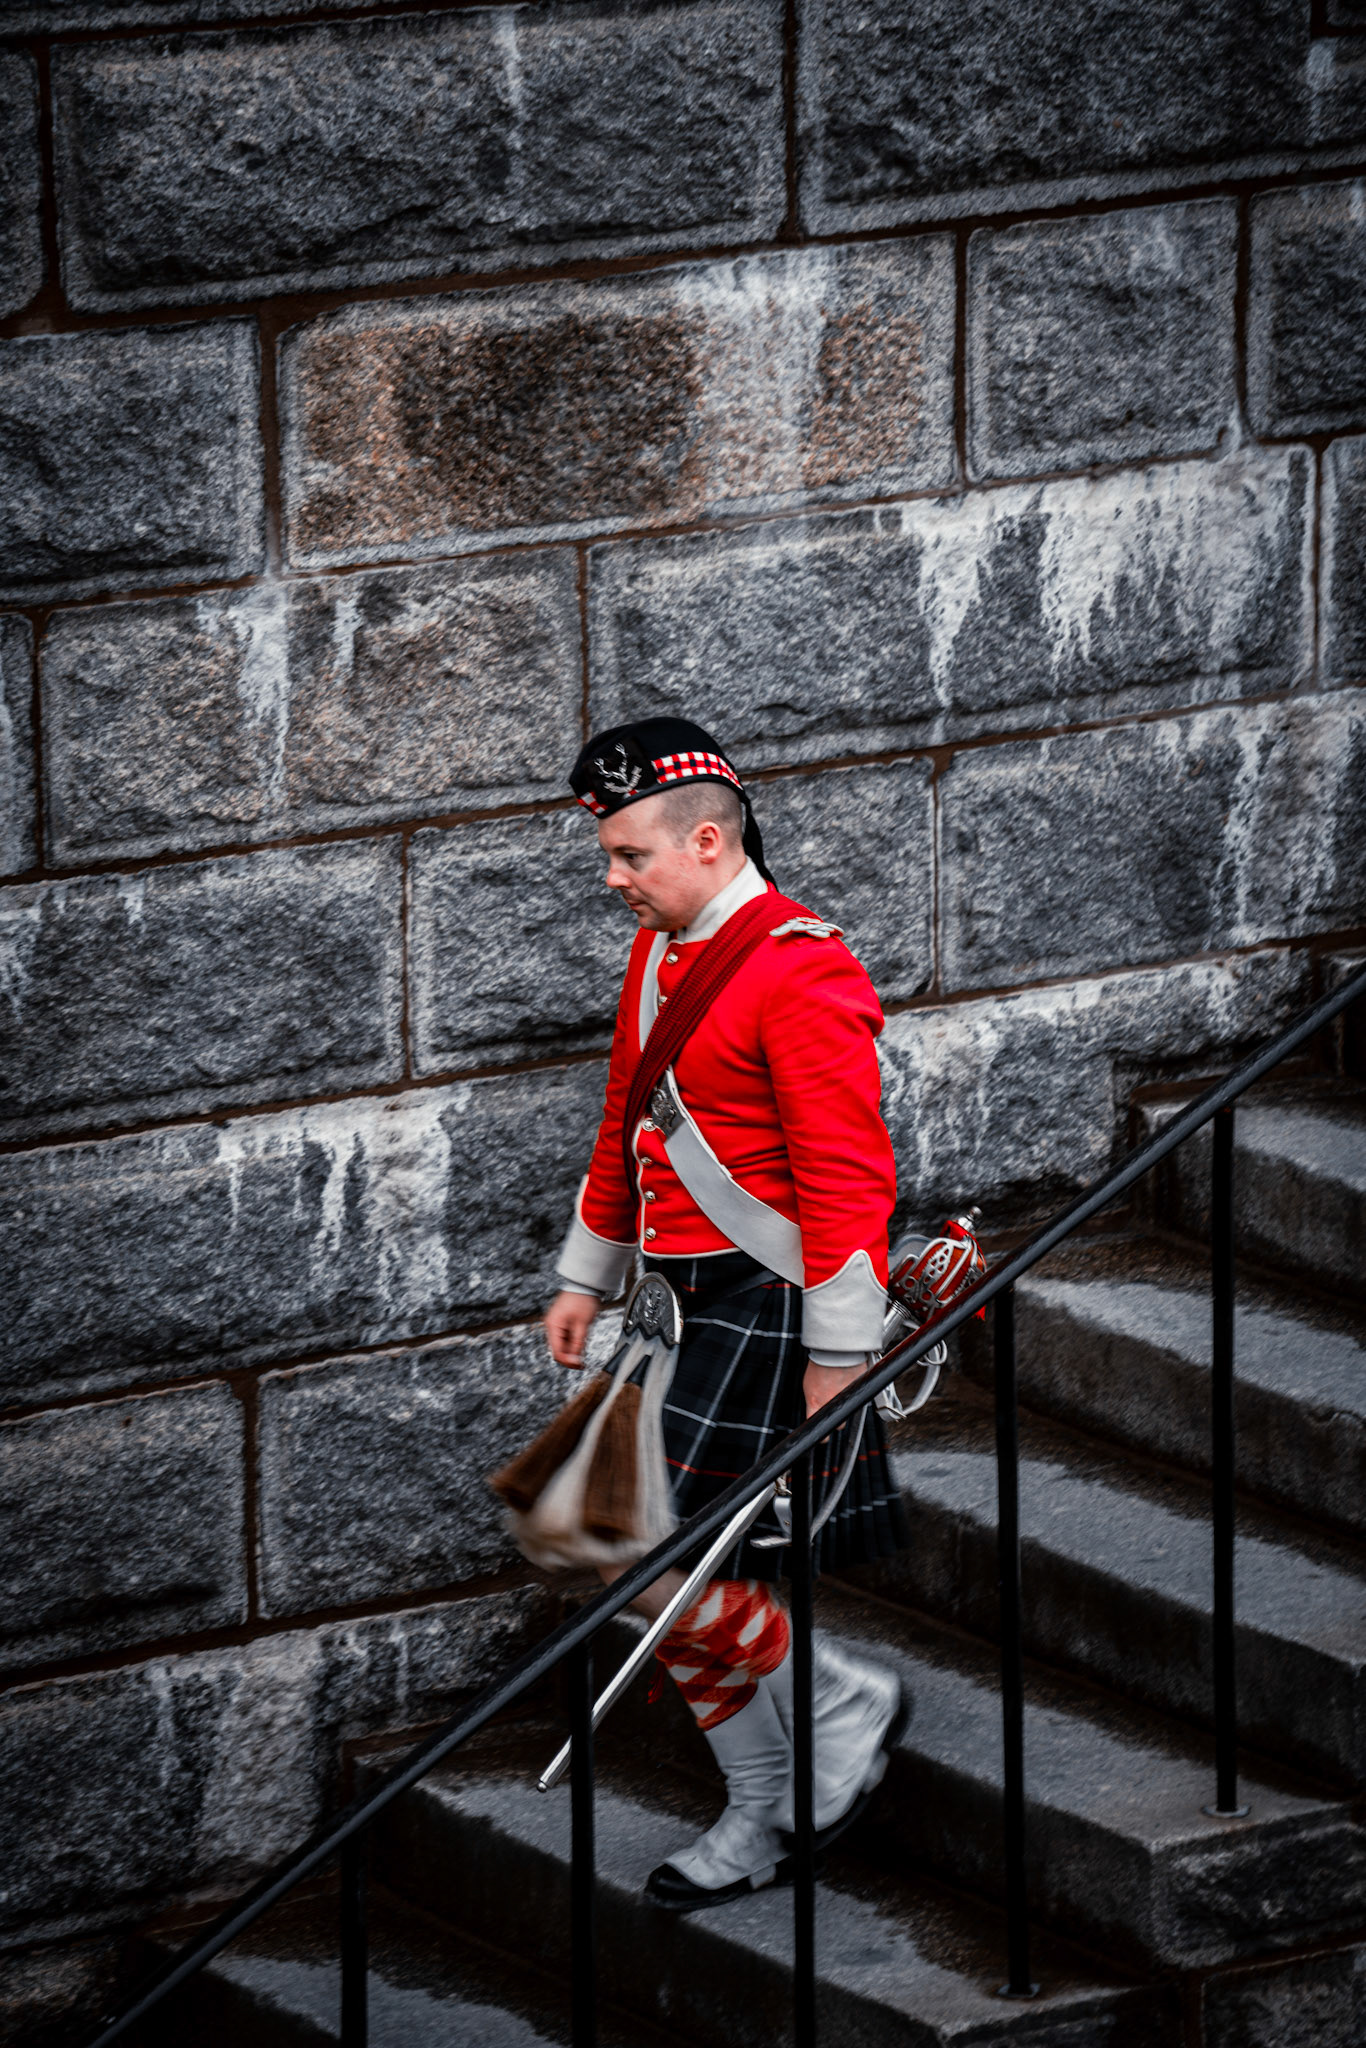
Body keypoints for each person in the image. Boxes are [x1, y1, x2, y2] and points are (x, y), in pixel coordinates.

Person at [544, 716, 907, 1911]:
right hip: (675, 1300)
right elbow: (624, 1120)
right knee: (603, 1537)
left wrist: (840, 1356)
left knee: (648, 1560)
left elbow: (849, 1176)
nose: (613, 877)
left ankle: (839, 1703)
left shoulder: (802, 966)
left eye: (629, 856)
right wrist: (585, 1271)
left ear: (705, 840)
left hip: (768, 1301)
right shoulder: (659, 954)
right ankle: (763, 1798)